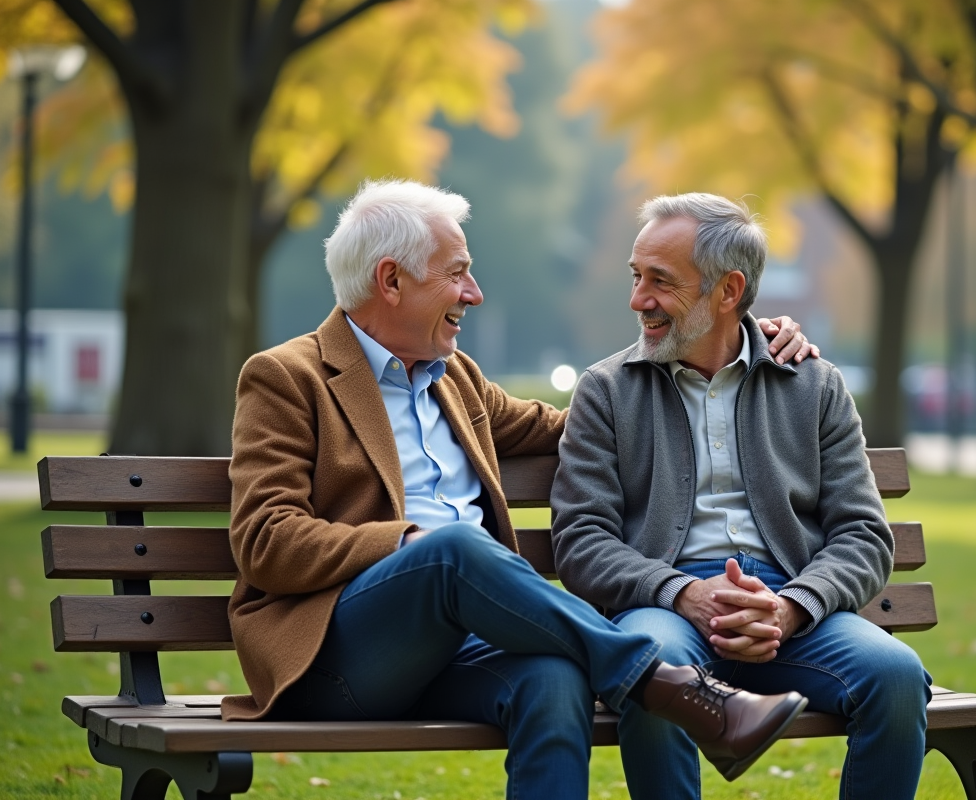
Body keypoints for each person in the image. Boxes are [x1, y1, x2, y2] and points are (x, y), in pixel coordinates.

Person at [223, 179, 822, 798]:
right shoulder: (287, 378)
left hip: (462, 647)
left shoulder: (457, 379)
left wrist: (740, 335)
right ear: (391, 280)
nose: (474, 294)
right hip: (340, 660)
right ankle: (666, 684)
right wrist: (409, 544)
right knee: (452, 548)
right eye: (456, 274)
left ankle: (660, 684)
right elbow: (267, 540)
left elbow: (595, 428)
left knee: (554, 680)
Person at [552, 192, 933, 800]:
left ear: (728, 292)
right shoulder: (605, 391)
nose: (637, 300)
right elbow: (580, 540)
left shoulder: (813, 384)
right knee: (655, 670)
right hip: (666, 608)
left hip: (791, 608)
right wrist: (684, 593)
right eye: (635, 276)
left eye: (660, 281)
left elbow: (863, 534)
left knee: (894, 674)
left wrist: (792, 607)